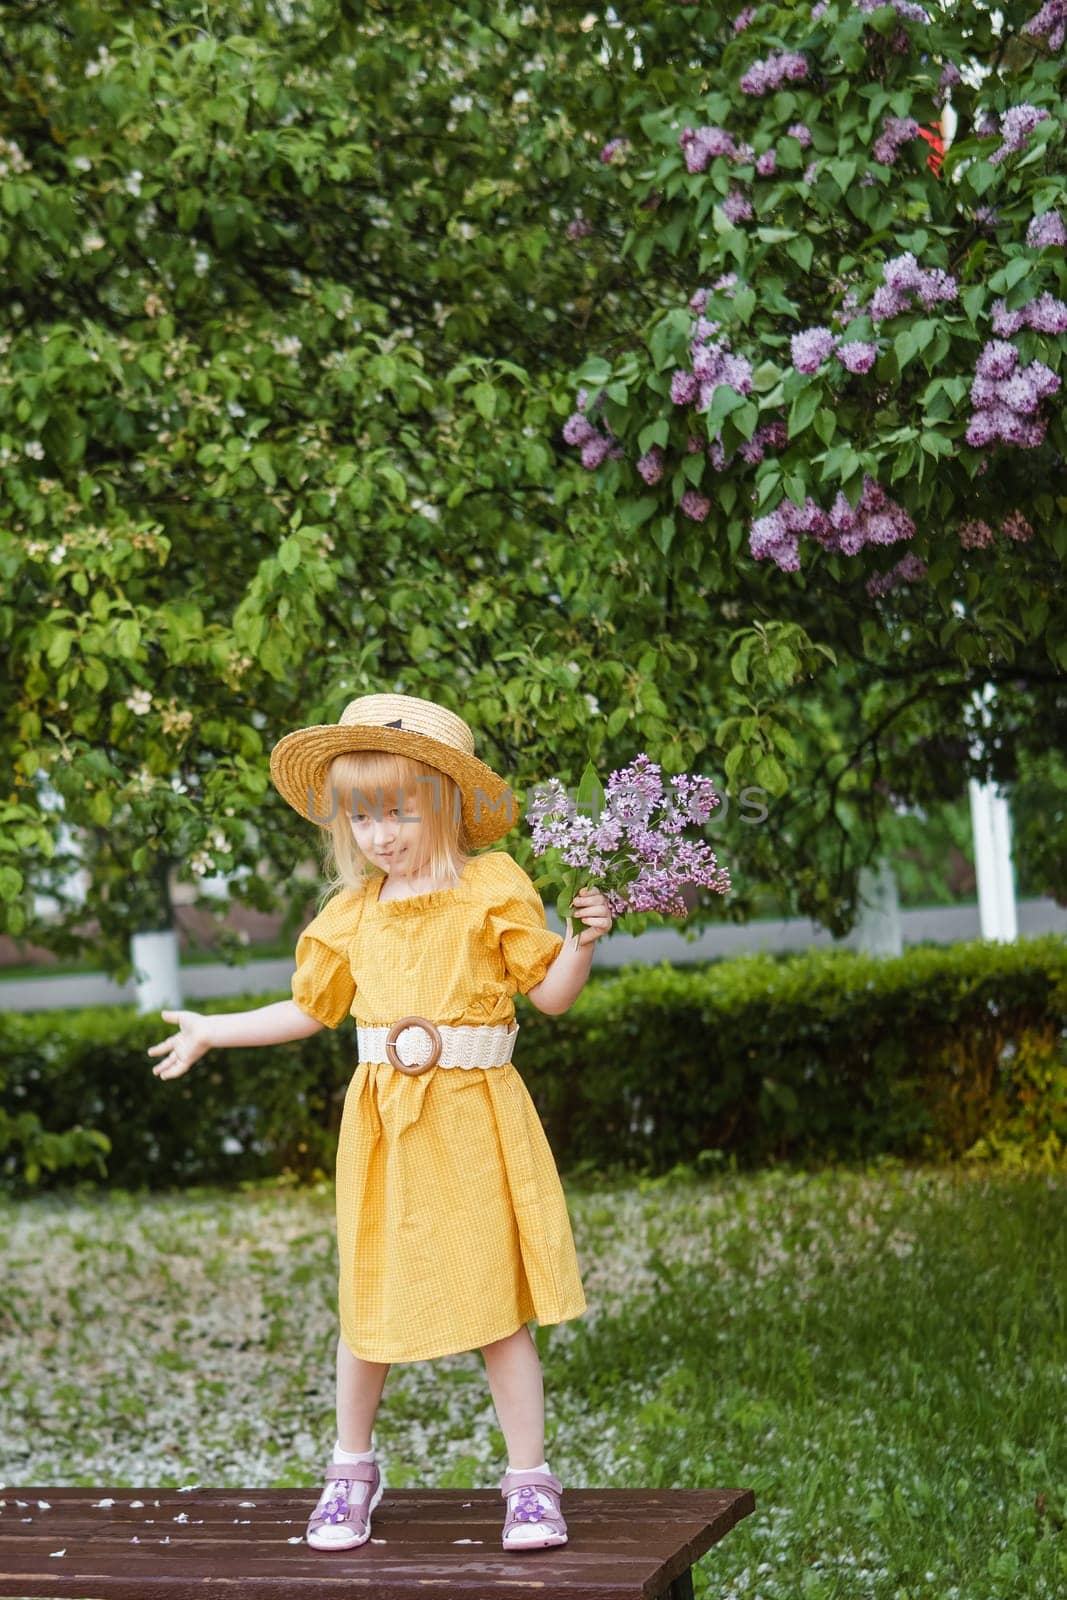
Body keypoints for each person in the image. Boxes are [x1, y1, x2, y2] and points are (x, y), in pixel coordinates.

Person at [147, 691, 612, 1554]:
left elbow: (548, 996)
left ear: (444, 802)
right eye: (361, 817)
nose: (381, 834)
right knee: (370, 1304)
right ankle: (349, 1470)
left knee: (495, 1310)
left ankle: (529, 1483)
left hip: (474, 1121)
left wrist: (583, 940)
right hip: (386, 1131)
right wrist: (215, 1029)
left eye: (398, 811)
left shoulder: (492, 887)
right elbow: (306, 1009)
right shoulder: (353, 913)